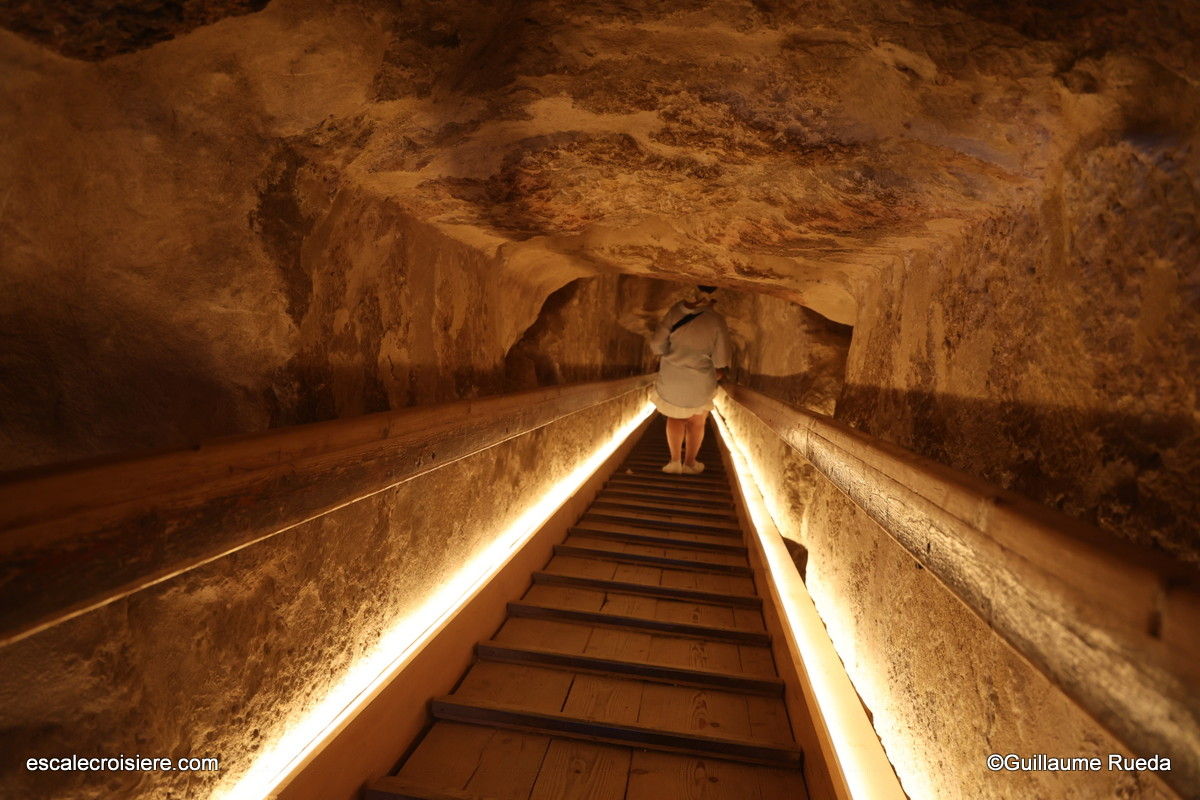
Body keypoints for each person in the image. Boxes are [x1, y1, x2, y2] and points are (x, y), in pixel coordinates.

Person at [649, 284, 731, 474]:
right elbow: (721, 359)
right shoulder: (717, 320)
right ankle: (690, 463)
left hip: (671, 378)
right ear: (712, 300)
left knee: (675, 418)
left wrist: (669, 354)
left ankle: (674, 462)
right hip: (700, 382)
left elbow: (656, 345)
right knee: (697, 421)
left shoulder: (673, 313)